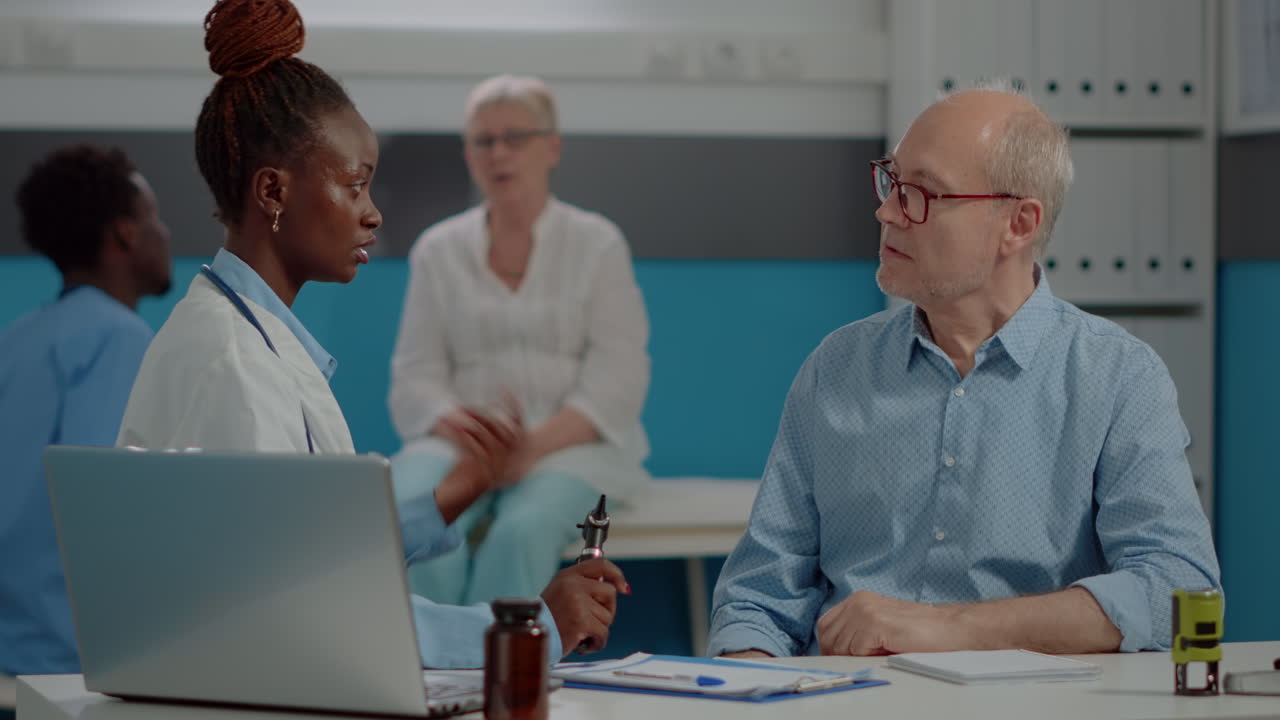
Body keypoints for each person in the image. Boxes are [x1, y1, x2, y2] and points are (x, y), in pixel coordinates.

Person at [116, 0, 626, 668]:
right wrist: (532, 627)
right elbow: (305, 605)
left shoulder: (244, 337)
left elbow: (307, 546)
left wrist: (457, 489)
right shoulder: (233, 367)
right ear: (273, 191)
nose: (372, 214)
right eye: (355, 186)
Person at [707, 82, 1221, 659]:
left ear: (1019, 225)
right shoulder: (836, 370)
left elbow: (1177, 590)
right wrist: (747, 680)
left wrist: (951, 628)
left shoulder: (1117, 377)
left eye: (922, 193)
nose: (885, 210)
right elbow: (757, 600)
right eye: (891, 182)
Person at [388, 74, 651, 605]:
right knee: (418, 515)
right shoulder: (437, 251)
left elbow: (617, 379)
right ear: (469, 154)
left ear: (551, 147)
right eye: (484, 141)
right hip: (457, 445)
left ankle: (503, 680)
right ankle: (430, 676)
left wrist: (526, 448)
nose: (498, 153)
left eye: (516, 137)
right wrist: (477, 444)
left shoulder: (597, 244)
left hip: (573, 448)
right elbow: (416, 379)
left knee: (520, 530)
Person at [0, 144, 172, 678]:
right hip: (66, 662)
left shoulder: (16, 339)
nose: (165, 233)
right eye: (154, 218)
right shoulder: (118, 339)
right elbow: (109, 512)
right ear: (124, 233)